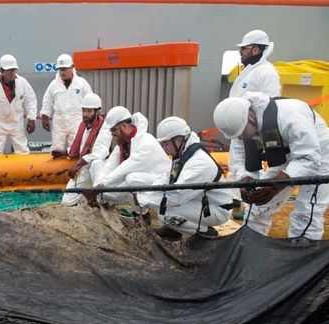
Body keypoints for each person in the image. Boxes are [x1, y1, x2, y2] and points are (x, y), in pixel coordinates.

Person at [213, 92, 329, 240]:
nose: (240, 138)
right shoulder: (240, 127)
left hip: (318, 153)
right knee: (258, 208)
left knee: (307, 212)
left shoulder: (291, 116)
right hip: (283, 154)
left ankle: (302, 254)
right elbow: (239, 159)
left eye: (241, 133)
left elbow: (309, 158)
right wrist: (246, 180)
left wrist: (275, 186)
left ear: (251, 116)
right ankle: (251, 248)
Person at [138, 117, 234, 240]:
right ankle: (174, 230)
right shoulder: (184, 154)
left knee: (165, 213)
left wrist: (142, 200)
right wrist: (146, 192)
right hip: (202, 200)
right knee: (164, 208)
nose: (164, 148)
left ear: (178, 140)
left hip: (217, 209)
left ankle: (204, 233)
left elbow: (177, 196)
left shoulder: (199, 163)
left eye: (166, 144)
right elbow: (166, 178)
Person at [228, 30, 281, 218]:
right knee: (238, 166)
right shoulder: (249, 71)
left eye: (244, 48)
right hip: (240, 128)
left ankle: (249, 208)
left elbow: (270, 103)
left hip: (252, 131)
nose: (241, 52)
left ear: (257, 49)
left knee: (251, 168)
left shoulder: (266, 72)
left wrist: (255, 131)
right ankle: (238, 207)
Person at [88, 106, 170, 209]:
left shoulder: (145, 142)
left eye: (114, 130)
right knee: (96, 165)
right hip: (138, 178)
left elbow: (126, 167)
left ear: (124, 125)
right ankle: (104, 202)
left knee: (131, 179)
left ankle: (141, 211)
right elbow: (110, 166)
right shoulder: (123, 144)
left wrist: (102, 185)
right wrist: (96, 188)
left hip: (160, 181)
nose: (112, 134)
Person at [61, 93, 112, 206]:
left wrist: (80, 162)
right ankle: (88, 198)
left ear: (97, 112)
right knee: (66, 201)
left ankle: (103, 199)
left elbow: (102, 152)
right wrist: (64, 152)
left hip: (98, 170)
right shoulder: (83, 126)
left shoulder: (105, 128)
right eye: (84, 111)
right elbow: (80, 148)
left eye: (89, 111)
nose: (85, 114)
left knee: (96, 164)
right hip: (84, 168)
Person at [0, 54, 37, 155]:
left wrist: (31, 119)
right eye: (9, 71)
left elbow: (31, 100)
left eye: (14, 70)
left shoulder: (22, 83)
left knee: (22, 151)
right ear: (2, 71)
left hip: (17, 122)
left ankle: (24, 170)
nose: (12, 73)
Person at [40, 54, 92, 157]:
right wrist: (45, 116)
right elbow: (47, 101)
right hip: (59, 122)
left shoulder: (82, 83)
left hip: (77, 120)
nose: (62, 72)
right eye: (60, 69)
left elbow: (90, 100)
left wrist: (90, 117)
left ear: (72, 67)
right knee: (57, 150)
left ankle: (75, 171)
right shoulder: (54, 84)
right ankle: (56, 172)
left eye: (65, 69)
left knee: (75, 149)